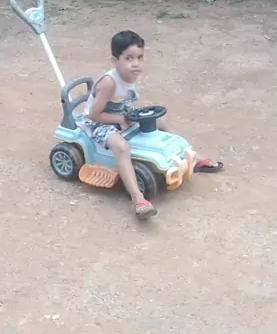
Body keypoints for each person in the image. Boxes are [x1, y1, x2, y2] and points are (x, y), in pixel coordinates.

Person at [83, 30, 223, 220]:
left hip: (122, 116)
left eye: (140, 57)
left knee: (160, 120)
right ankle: (137, 198)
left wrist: (126, 117)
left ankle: (192, 157)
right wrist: (120, 120)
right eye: (129, 58)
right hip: (99, 123)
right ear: (115, 61)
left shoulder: (130, 75)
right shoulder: (109, 83)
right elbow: (94, 114)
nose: (136, 63)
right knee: (122, 147)